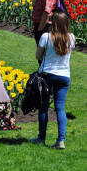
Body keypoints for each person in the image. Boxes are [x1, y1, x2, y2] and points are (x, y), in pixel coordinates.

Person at [31, 11, 75, 149]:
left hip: (47, 75)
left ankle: (41, 138)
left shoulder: (46, 37)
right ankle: (61, 141)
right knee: (60, 108)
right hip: (64, 76)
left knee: (43, 107)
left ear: (53, 23)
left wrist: (44, 54)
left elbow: (38, 55)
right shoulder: (71, 38)